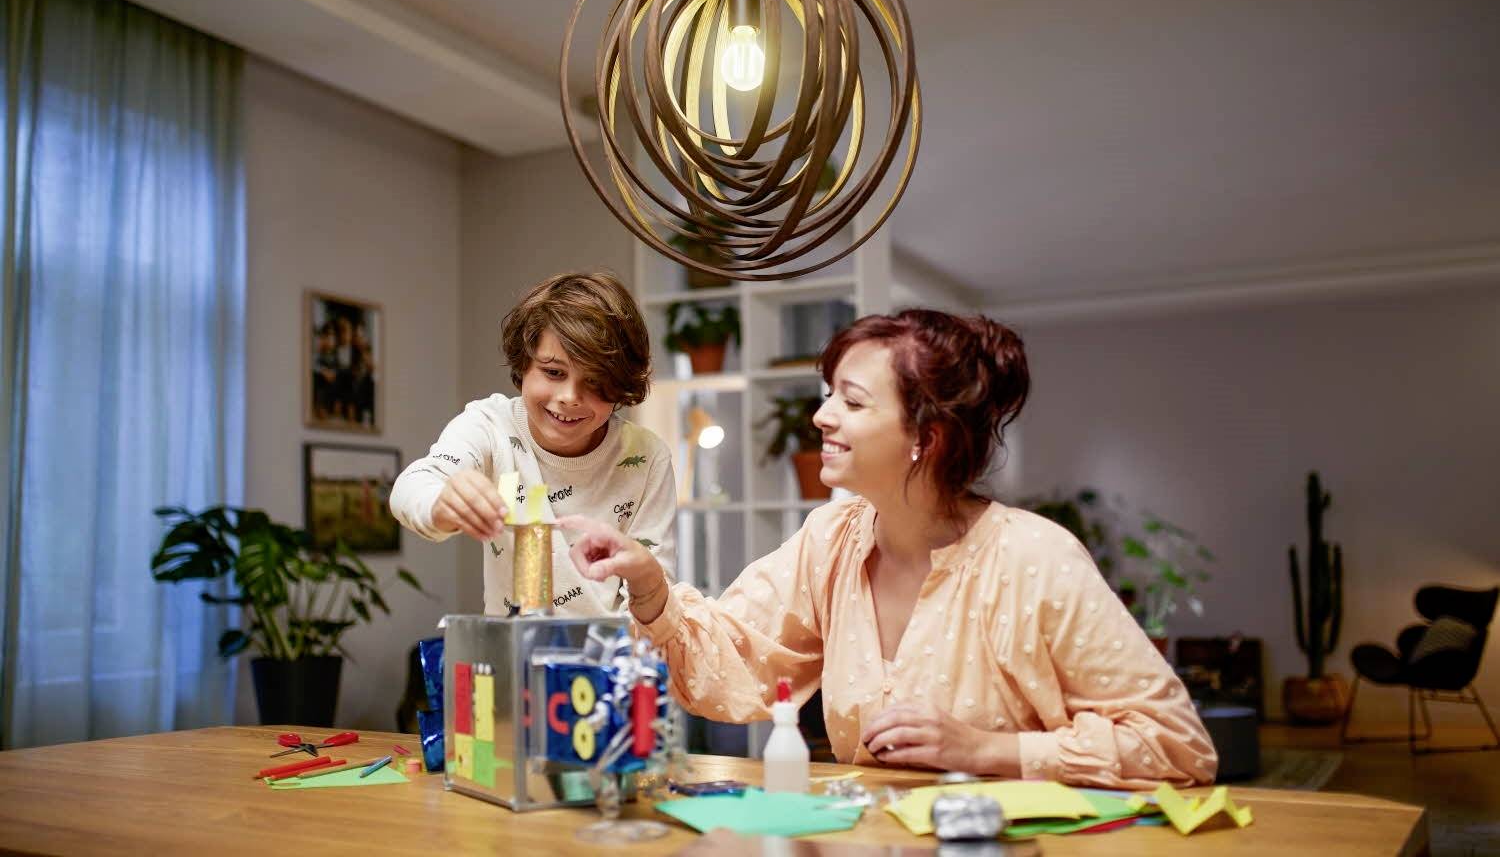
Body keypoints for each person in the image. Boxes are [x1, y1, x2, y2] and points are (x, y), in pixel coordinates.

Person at [562, 309, 1217, 788]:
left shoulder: (1035, 559)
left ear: (925, 438)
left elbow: (1177, 746)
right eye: (827, 396)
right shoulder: (833, 539)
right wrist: (648, 583)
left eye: (850, 402)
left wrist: (987, 750)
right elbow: (735, 663)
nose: (821, 417)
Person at [391, 271, 677, 616]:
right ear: (524, 364)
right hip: (512, 659)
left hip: (611, 662)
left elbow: (656, 595)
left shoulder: (647, 457)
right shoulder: (489, 425)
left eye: (596, 381)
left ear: (620, 384)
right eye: (554, 372)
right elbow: (412, 486)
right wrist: (442, 503)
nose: (570, 397)